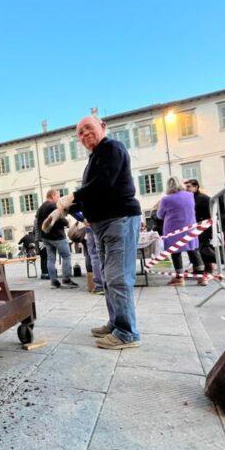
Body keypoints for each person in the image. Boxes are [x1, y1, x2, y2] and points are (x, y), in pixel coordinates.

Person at [59, 116, 141, 349]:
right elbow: (92, 195)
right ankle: (116, 323)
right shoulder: (96, 157)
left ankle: (127, 333)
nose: (84, 135)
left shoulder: (112, 148)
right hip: (102, 223)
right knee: (106, 276)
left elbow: (103, 184)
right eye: (80, 134)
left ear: (103, 127)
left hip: (119, 219)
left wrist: (73, 197)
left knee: (117, 276)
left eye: (88, 129)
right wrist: (66, 208)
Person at [157, 177, 207, 286]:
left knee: (175, 253)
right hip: (190, 227)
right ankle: (201, 277)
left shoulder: (166, 199)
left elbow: (159, 215)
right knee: (193, 251)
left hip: (172, 228)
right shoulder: (190, 196)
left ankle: (179, 278)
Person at [36, 189, 79, 288]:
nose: (59, 198)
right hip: (57, 236)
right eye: (58, 196)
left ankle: (54, 281)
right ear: (53, 195)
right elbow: (59, 219)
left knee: (50, 259)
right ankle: (66, 279)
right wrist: (67, 223)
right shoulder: (53, 206)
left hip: (45, 237)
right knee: (66, 256)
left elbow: (38, 223)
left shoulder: (41, 207)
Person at [184, 179, 215, 272]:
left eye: (189, 187)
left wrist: (207, 228)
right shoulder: (188, 198)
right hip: (192, 227)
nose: (187, 189)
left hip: (203, 227)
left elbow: (210, 214)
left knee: (202, 248)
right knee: (194, 248)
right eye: (186, 187)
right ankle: (199, 267)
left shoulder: (204, 198)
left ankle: (207, 267)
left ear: (196, 187)